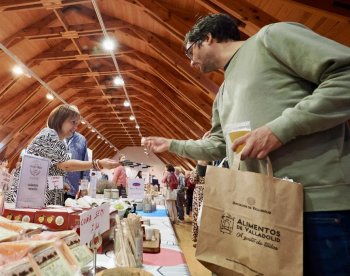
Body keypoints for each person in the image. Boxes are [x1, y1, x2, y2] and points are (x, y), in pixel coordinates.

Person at [143, 14, 350, 275]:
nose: (190, 61)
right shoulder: (223, 92)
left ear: (207, 38)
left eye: (189, 51)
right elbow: (219, 145)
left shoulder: (270, 39)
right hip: (261, 212)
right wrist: (172, 144)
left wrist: (279, 130)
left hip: (316, 207)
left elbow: (345, 74)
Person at [5, 104, 119, 206]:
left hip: (36, 199)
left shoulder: (59, 142)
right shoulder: (48, 134)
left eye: (77, 123)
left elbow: (47, 168)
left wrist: (60, 183)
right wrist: (98, 163)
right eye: (73, 122)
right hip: (27, 199)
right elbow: (65, 165)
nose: (75, 127)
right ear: (60, 120)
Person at [65, 131, 90, 201]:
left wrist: (84, 187)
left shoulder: (81, 140)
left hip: (72, 186)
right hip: (55, 187)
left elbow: (85, 165)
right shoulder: (55, 136)